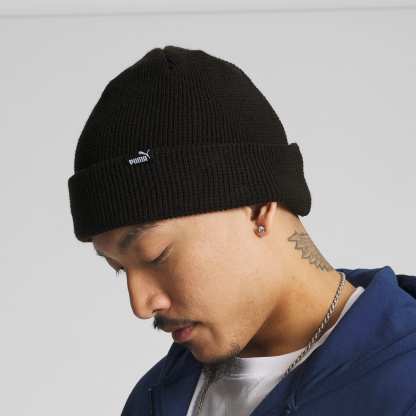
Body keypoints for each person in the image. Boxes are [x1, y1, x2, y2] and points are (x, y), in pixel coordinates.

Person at [67, 45, 416, 416]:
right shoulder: (153, 398)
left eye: (156, 256)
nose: (140, 305)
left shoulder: (402, 384)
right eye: (119, 268)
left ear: (259, 207)